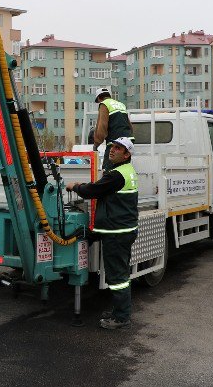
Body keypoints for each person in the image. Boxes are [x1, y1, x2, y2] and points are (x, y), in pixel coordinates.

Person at [66, 137, 138, 330]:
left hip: (116, 233)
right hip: (120, 230)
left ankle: (121, 317)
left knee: (118, 278)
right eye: (112, 146)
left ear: (127, 154)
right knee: (119, 274)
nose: (112, 150)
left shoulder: (117, 175)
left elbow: (93, 190)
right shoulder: (126, 171)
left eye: (118, 148)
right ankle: (118, 311)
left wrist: (75, 186)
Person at [87, 88, 134, 172]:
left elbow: (102, 126)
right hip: (129, 141)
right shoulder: (120, 104)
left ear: (99, 98)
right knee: (123, 170)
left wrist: (96, 145)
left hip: (116, 142)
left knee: (107, 171)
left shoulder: (104, 104)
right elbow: (129, 125)